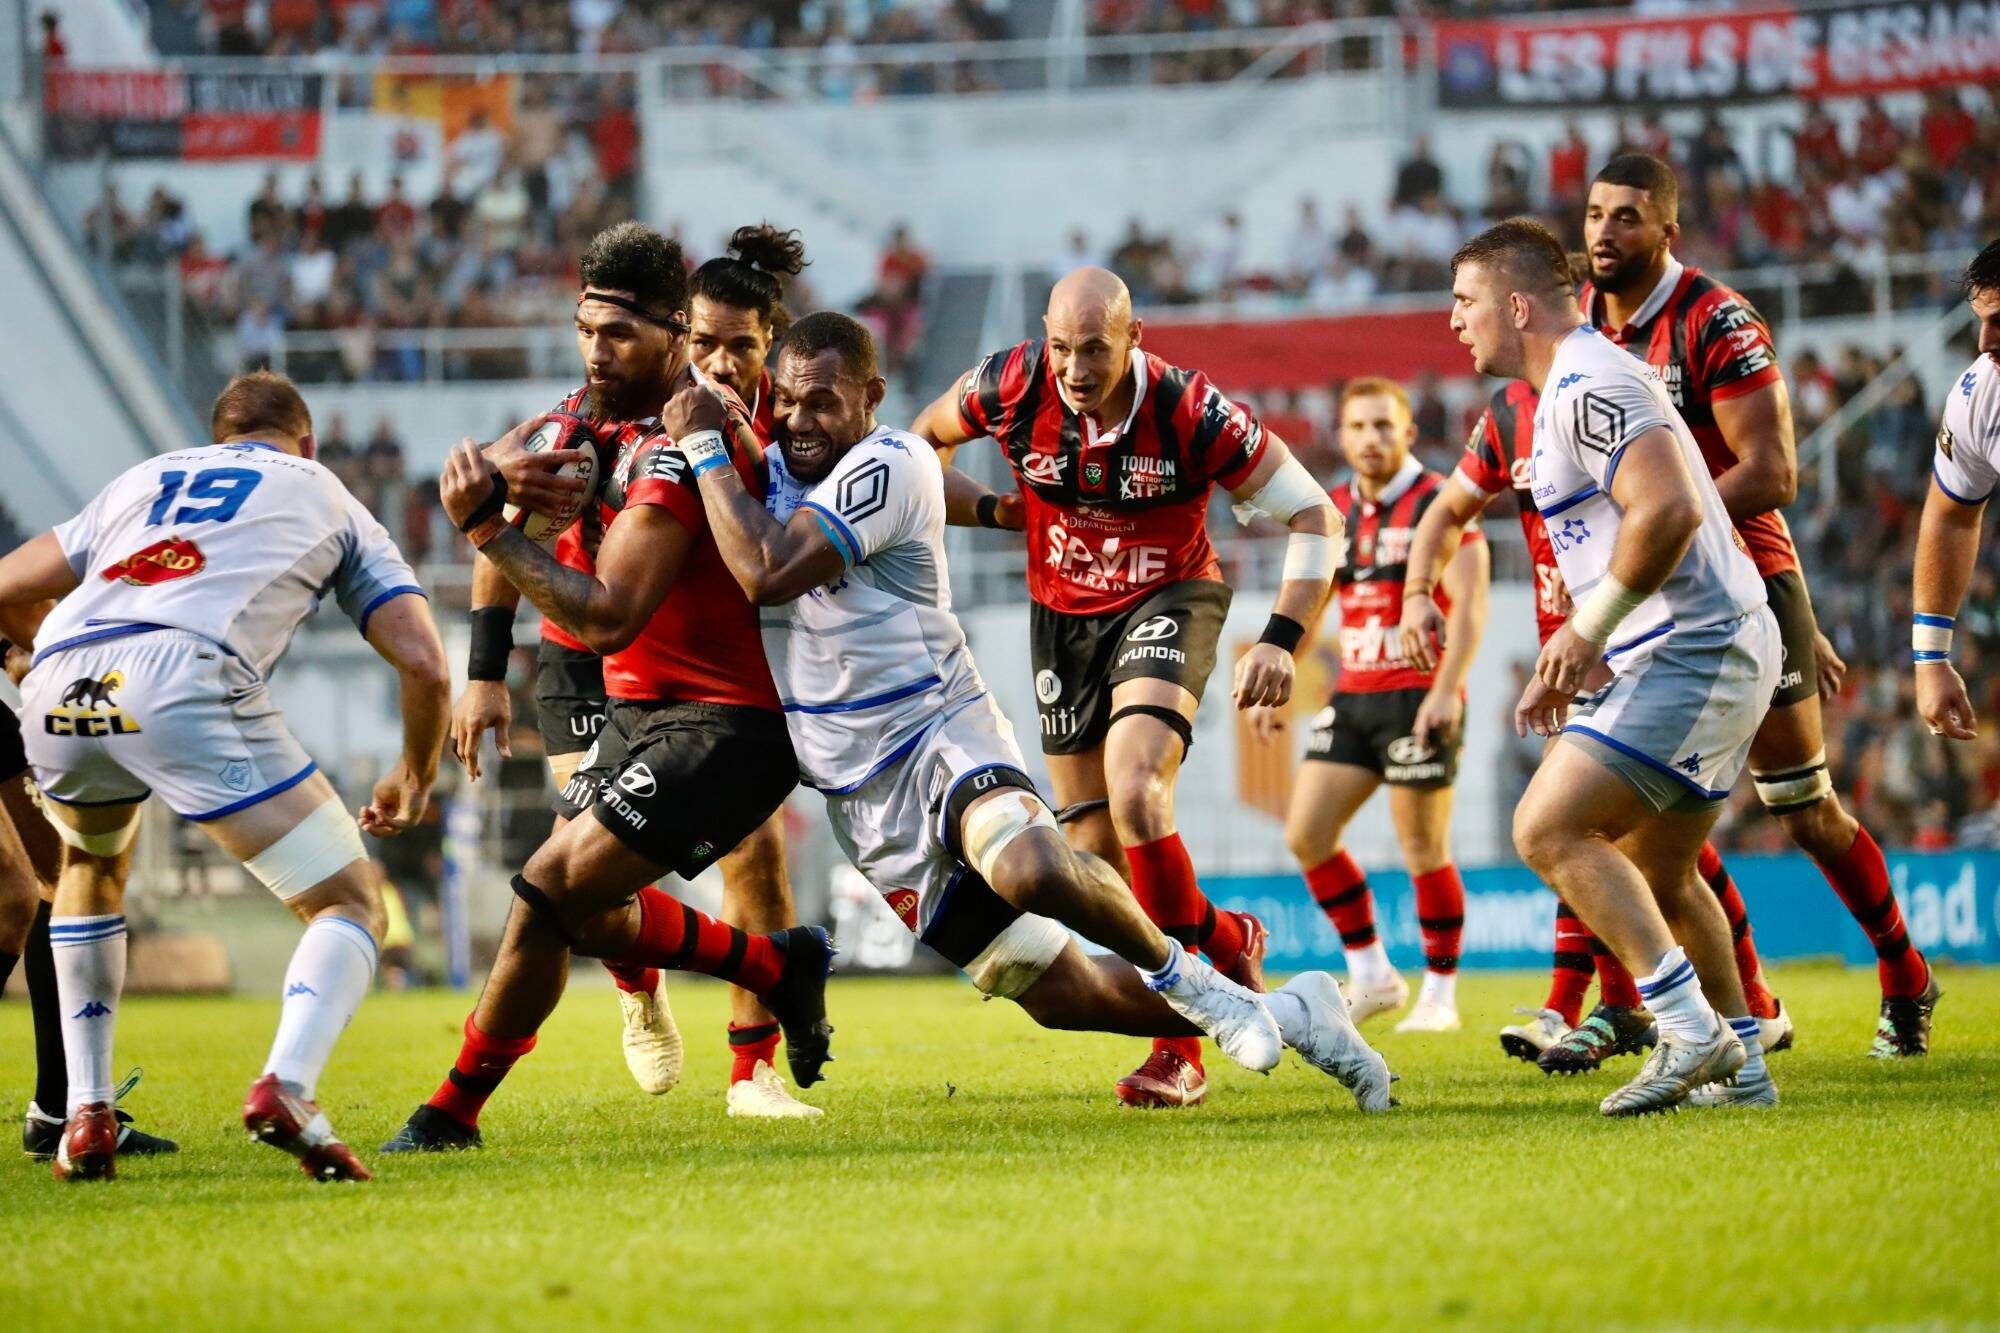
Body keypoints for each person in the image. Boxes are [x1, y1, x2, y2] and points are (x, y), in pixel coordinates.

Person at [672, 311, 1392, 1113]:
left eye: (823, 402)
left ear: (872, 396)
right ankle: (1292, 1008)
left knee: (1049, 858)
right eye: (787, 402)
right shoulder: (772, 468)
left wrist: (704, 446)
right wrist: (995, 509)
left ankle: (1201, 990)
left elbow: (769, 568)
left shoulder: (890, 461)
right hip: (861, 791)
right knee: (1062, 991)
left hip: (937, 730)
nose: (800, 420)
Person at [383, 224, 835, 1154]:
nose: (596, 350)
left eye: (618, 334)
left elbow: (610, 617)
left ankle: (449, 1115)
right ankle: (772, 963)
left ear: (672, 334)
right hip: (638, 710)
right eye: (586, 329)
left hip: (722, 724)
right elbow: (507, 492)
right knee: (578, 909)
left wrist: (485, 526)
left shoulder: (686, 440)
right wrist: (485, 658)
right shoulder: (582, 418)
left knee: (550, 884)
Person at [910, 267, 1344, 1109]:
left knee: (1139, 792)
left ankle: (1179, 1045)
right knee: (1093, 855)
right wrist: (996, 511)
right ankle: (1225, 934)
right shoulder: (1010, 382)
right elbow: (922, 444)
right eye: (1062, 348)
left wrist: (1283, 638)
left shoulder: (1191, 410)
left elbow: (1316, 513)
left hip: (1168, 598)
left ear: (1134, 337)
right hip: (1061, 619)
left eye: (1095, 350)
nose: (1075, 369)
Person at [0, 370, 450, 1180]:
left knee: (91, 869)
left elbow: (5, 583)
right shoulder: (325, 491)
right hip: (184, 671)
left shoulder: (145, 477)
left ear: (218, 440)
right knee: (350, 900)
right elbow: (423, 659)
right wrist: (413, 774)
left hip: (62, 678)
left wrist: (29, 654)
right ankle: (288, 1086)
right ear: (307, 442)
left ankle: (85, 1114)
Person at [1579, 155, 1936, 1055]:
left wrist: (1676, 528)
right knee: (1638, 816)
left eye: (1627, 216)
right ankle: (1743, 1008)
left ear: (1668, 230)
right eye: (1594, 214)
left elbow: (1774, 472)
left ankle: (1905, 970)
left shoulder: (1716, 318)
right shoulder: (1583, 323)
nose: (1604, 232)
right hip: (1645, 590)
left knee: (1803, 807)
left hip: (1744, 583)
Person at [1449, 218, 1780, 1115]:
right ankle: (1744, 1072)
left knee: (1543, 828)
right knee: (1663, 873)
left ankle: (1688, 1028)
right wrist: (1586, 642)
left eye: (1467, 300)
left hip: (1695, 646)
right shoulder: (1578, 380)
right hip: (1704, 643)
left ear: (1518, 306)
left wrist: (1586, 630)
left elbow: (1668, 508)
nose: (1455, 320)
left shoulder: (1587, 381)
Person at [1403, 373, 1790, 1075]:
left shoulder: (1607, 384)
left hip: (1649, 646)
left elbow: (1697, 507)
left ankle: (1671, 1017)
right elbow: (1447, 509)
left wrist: (1797, 612)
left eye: (1467, 309)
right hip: (1578, 651)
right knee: (1652, 858)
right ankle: (1727, 1033)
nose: (1457, 323)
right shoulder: (1508, 413)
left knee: (1570, 829)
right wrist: (1415, 591)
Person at [1255, 378, 1487, 1033]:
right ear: (1341, 436)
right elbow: (1313, 603)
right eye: (1357, 426)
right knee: (1307, 833)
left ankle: (1439, 995)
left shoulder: (1439, 501)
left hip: (1419, 696)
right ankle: (1374, 975)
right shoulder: (1332, 511)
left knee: (1423, 847)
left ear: (1409, 432)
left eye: (1384, 425)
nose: (1370, 438)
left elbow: (1469, 604)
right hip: (1354, 695)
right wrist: (1283, 673)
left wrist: (1446, 689)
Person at [1910, 239, 1999, 1055]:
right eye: (1980, 319)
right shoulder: (1981, 392)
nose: (1985, 341)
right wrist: (1931, 655)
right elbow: (1950, 513)